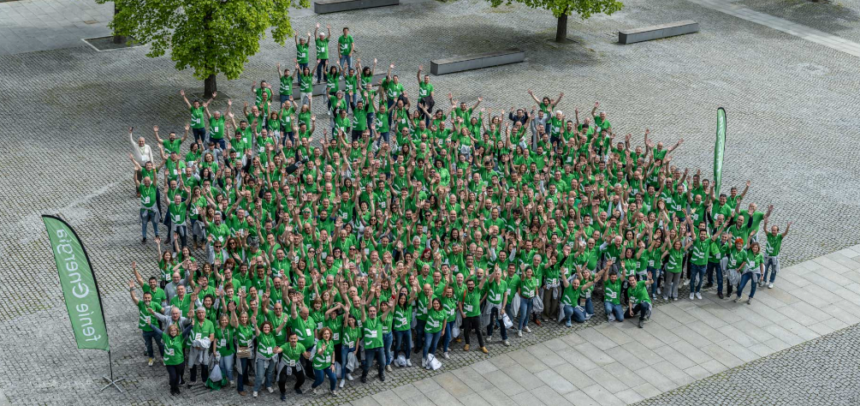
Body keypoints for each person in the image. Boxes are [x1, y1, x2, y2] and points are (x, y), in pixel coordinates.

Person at [129, 279, 164, 367]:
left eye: (148, 298)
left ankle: (163, 357)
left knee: (160, 344)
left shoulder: (155, 304)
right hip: (145, 330)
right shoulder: (141, 304)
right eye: (145, 298)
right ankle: (151, 357)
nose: (147, 299)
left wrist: (171, 308)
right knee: (149, 345)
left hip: (155, 328)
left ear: (151, 298)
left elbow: (163, 310)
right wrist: (132, 288)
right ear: (143, 298)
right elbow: (134, 298)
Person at [148, 323, 185, 395]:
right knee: (173, 376)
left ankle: (176, 387)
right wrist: (150, 325)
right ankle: (172, 387)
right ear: (169, 331)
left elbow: (186, 331)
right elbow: (157, 330)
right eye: (171, 330)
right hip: (169, 362)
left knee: (178, 376)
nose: (173, 332)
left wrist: (192, 325)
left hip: (179, 361)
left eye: (174, 330)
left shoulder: (180, 337)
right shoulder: (166, 337)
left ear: (177, 331)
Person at [273, 332, 310, 400]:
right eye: (291, 338)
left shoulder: (300, 346)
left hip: (296, 364)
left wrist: (308, 355)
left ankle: (296, 387)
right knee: (282, 380)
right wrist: (275, 350)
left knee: (302, 379)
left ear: (297, 339)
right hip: (285, 364)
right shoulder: (285, 345)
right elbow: (279, 350)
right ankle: (283, 392)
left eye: (294, 338)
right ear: (289, 339)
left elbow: (306, 356)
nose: (293, 340)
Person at [762, 217, 791, 289]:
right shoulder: (769, 235)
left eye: (774, 230)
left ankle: (771, 282)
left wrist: (788, 226)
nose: (773, 231)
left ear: (777, 231)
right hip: (767, 256)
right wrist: (765, 223)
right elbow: (765, 229)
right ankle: (764, 280)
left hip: (774, 257)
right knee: (765, 269)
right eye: (772, 230)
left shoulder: (779, 237)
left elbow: (785, 233)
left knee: (773, 270)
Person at [310, 327, 338, 396]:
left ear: (330, 334)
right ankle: (313, 386)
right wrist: (322, 350)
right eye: (325, 334)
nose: (326, 335)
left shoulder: (331, 342)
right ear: (322, 335)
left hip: (328, 364)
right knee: (320, 380)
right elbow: (319, 352)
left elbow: (333, 353)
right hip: (319, 365)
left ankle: (332, 389)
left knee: (333, 378)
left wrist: (333, 363)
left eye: (328, 333)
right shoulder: (320, 342)